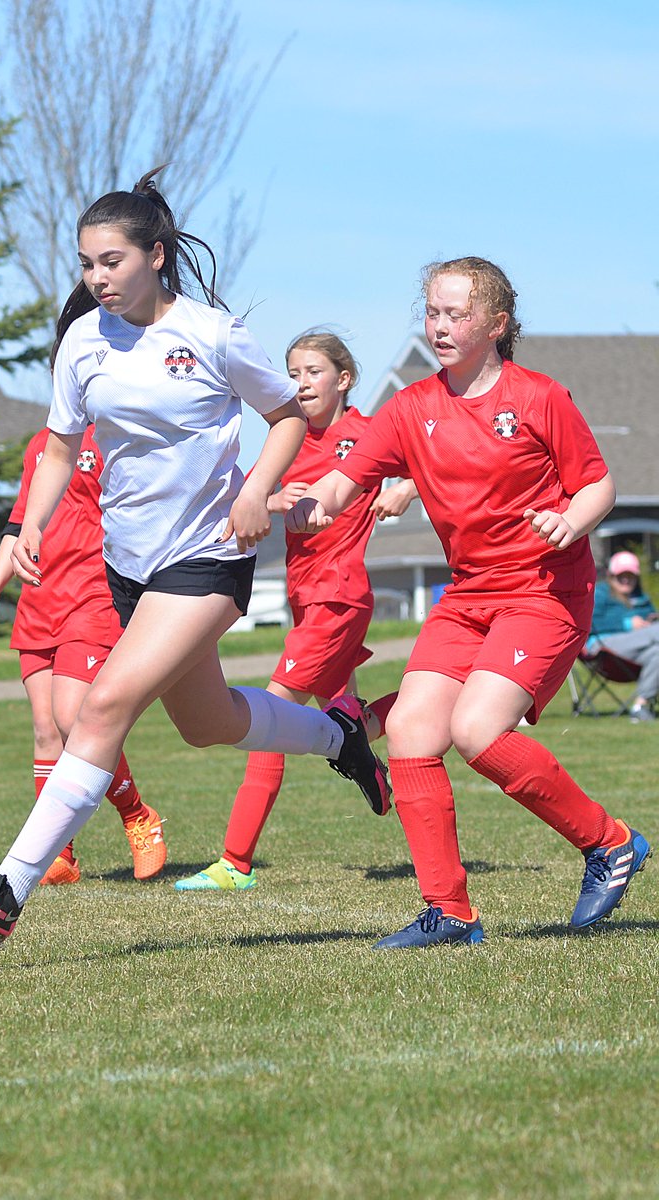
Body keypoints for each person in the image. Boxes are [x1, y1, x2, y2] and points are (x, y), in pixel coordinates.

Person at [0, 167, 389, 944]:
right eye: (85, 264)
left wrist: (256, 491)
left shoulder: (212, 333)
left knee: (105, 705)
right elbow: (58, 448)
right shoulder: (83, 340)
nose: (96, 278)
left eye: (110, 261)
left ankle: (8, 887)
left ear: (155, 255)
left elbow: (284, 415)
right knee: (207, 723)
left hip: (209, 556)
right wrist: (28, 530)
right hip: (130, 565)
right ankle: (338, 736)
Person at [287, 256, 649, 947]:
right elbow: (348, 477)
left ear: (497, 324)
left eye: (456, 313)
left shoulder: (540, 396)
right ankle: (449, 913)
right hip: (468, 595)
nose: (440, 326)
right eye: (432, 312)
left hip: (545, 592)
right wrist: (313, 505)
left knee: (478, 732)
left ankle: (611, 843)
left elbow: (597, 485)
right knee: (416, 735)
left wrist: (571, 523)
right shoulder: (411, 407)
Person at [175, 331, 417, 892]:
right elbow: (248, 498)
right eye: (293, 372)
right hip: (304, 599)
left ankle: (234, 863)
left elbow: (435, 464)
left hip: (339, 597)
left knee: (270, 716)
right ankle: (432, 710)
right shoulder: (285, 440)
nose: (300, 382)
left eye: (313, 371)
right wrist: (271, 499)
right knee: (347, 716)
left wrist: (405, 487)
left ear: (344, 380)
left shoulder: (364, 434)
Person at [0, 424, 166, 887]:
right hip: (39, 599)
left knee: (71, 717)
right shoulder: (40, 443)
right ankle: (61, 854)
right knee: (45, 732)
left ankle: (138, 815)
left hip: (94, 596)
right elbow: (18, 526)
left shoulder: (117, 434)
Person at [586, 549, 658, 723]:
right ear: (611, 576)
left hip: (635, 652)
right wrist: (627, 624)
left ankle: (640, 706)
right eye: (621, 576)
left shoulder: (642, 599)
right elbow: (589, 622)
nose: (626, 580)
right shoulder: (601, 594)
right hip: (603, 648)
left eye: (630, 576)